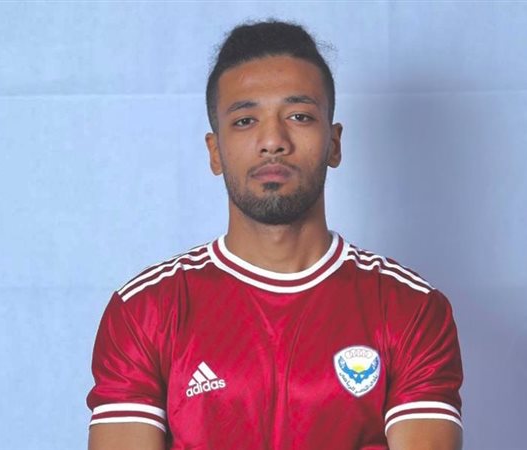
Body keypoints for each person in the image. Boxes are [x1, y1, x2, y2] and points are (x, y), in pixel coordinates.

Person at [87, 20, 463, 450]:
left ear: (334, 143)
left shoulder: (410, 309)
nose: (272, 141)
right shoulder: (144, 311)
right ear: (215, 151)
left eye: (299, 116)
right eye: (245, 120)